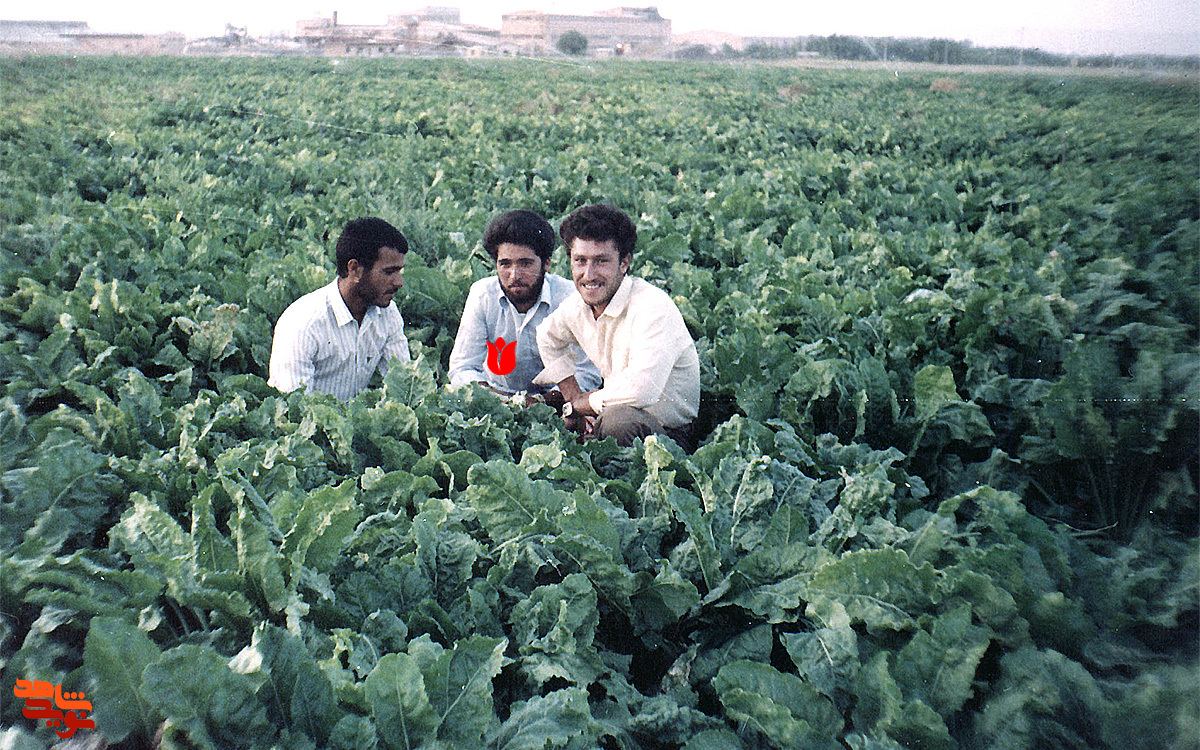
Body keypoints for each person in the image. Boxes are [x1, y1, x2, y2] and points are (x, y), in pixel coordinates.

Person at [534, 204, 700, 448]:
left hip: (667, 434)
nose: (588, 274)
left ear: (624, 263)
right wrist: (573, 398)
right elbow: (547, 337)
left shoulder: (652, 307)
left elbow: (642, 391)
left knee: (617, 422)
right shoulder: (577, 306)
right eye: (580, 261)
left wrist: (580, 405)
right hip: (610, 412)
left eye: (601, 261)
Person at [448, 209, 600, 400]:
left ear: (546, 263)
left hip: (558, 399)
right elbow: (463, 367)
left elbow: (587, 372)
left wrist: (544, 402)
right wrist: (499, 399)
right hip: (496, 398)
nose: (514, 275)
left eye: (525, 263)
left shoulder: (570, 297)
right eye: (505, 264)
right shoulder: (483, 295)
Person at [268, 217, 410, 401]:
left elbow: (404, 383)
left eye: (400, 271)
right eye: (389, 272)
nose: (399, 282)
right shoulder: (303, 324)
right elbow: (293, 407)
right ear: (355, 269)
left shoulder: (387, 313)